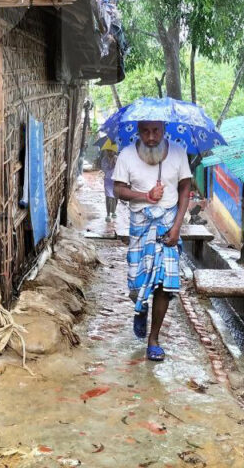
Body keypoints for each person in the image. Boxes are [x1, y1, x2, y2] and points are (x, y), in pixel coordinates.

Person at [112, 121, 192, 361]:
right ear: (138, 131)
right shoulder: (127, 155)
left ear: (164, 129)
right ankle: (140, 307)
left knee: (163, 284)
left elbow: (185, 189)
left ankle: (154, 339)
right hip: (140, 225)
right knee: (137, 286)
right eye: (145, 131)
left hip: (168, 224)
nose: (151, 137)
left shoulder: (178, 153)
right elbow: (118, 189)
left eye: (156, 131)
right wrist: (145, 196)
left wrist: (177, 227)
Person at [98, 140, 119, 220]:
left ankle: (114, 211)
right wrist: (110, 164)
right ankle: (107, 214)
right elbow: (104, 169)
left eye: (111, 151)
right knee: (108, 197)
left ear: (114, 151)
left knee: (115, 197)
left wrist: (115, 164)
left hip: (116, 180)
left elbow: (120, 169)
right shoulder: (104, 159)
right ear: (106, 151)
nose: (109, 152)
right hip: (108, 180)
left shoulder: (117, 159)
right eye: (108, 151)